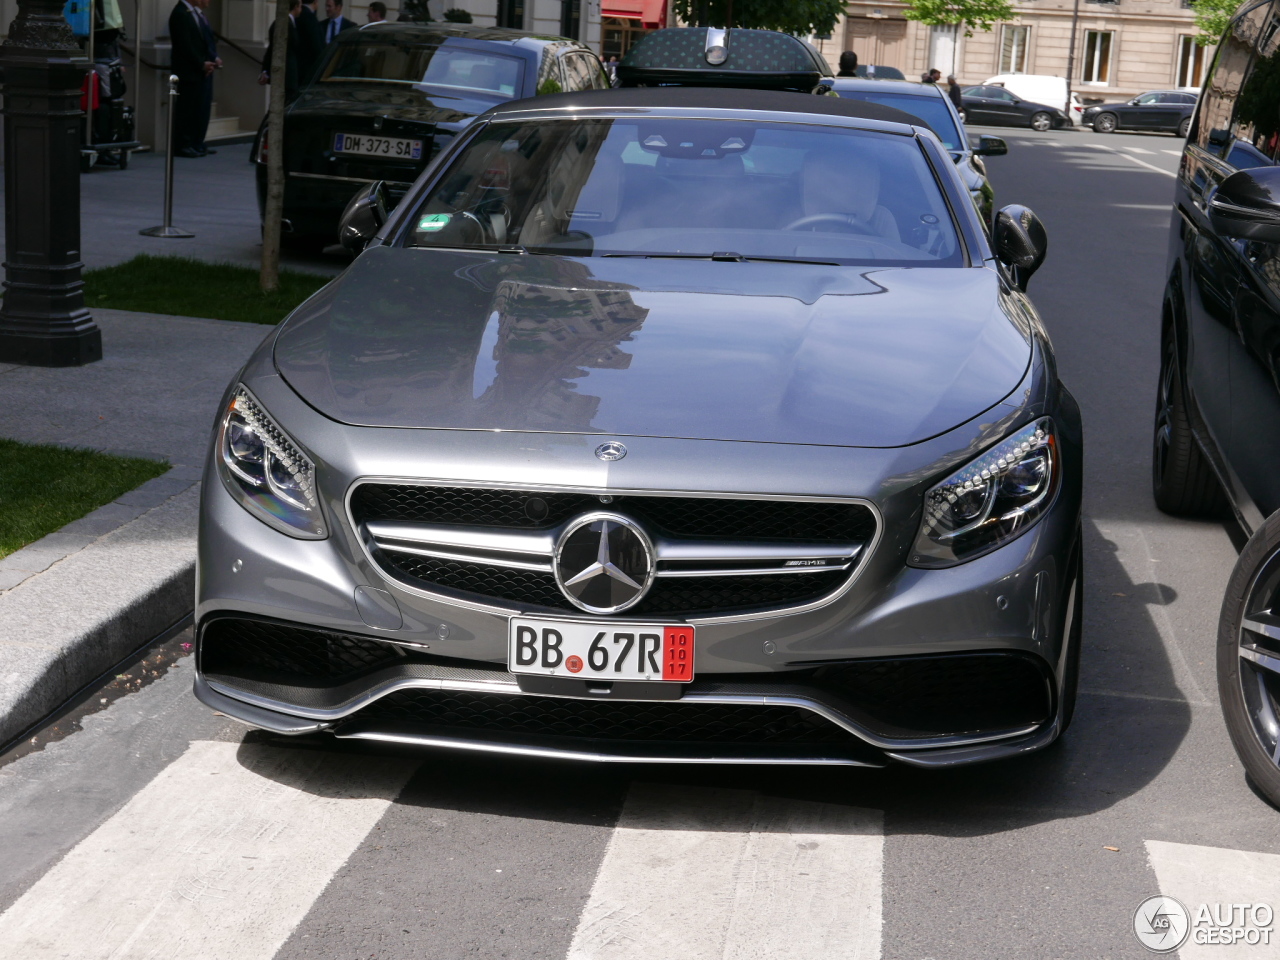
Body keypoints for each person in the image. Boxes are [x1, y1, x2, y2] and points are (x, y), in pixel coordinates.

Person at [168, 0, 221, 158]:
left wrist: (212, 58)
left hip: (200, 71)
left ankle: (197, 142)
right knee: (186, 109)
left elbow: (205, 41)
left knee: (200, 109)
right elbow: (184, 45)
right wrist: (200, 64)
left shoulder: (196, 13)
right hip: (187, 72)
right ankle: (183, 145)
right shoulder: (180, 13)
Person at [259, 0, 303, 103]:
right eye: (300, 6)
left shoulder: (285, 23)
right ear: (296, 6)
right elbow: (273, 49)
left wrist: (265, 70)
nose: (301, 9)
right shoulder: (285, 24)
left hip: (286, 76)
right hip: (287, 77)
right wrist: (265, 70)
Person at [296, 0, 325, 83]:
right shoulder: (310, 17)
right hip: (308, 68)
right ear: (315, 2)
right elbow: (316, 44)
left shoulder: (298, 15)